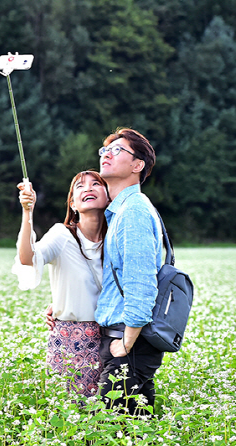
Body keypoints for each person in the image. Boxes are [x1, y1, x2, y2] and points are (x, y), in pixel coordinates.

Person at [12, 171, 109, 398]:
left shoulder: (117, 237)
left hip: (110, 340)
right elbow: (28, 258)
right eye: (80, 186)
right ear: (73, 204)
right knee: (69, 415)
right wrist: (28, 212)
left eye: (96, 183)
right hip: (69, 339)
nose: (88, 188)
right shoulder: (61, 235)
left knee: (105, 415)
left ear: (108, 197)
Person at [94, 128, 164, 416]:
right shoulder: (121, 211)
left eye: (117, 150)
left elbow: (140, 282)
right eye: (104, 151)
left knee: (113, 428)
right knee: (133, 430)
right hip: (125, 340)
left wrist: (125, 344)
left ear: (138, 166)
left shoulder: (133, 211)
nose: (107, 154)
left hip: (128, 342)